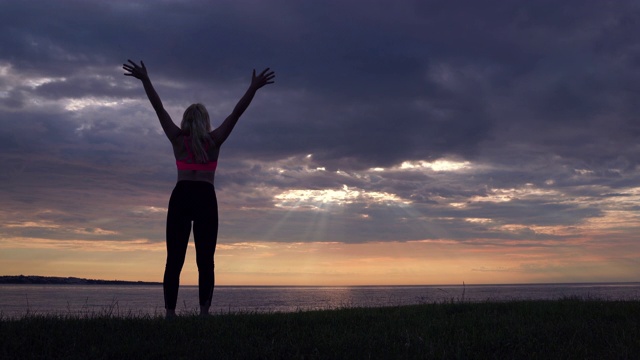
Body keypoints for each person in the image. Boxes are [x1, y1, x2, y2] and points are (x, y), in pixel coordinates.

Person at [123, 59, 275, 318]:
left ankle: (170, 315)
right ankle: (204, 314)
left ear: (185, 120)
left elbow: (158, 108)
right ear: (205, 121)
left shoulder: (177, 139)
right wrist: (253, 88)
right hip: (205, 197)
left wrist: (146, 80)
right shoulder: (214, 141)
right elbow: (236, 113)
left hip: (181, 196)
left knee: (174, 260)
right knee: (205, 261)